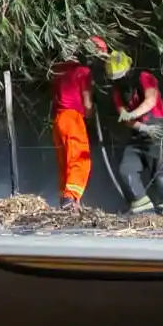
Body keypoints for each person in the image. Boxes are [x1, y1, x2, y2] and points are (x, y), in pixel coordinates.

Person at [104, 51, 163, 217]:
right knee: (126, 170)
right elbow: (125, 117)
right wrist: (142, 128)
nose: (119, 81)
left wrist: (134, 114)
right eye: (115, 79)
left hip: (158, 129)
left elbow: (150, 101)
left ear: (129, 70)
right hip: (138, 133)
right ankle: (143, 212)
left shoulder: (145, 77)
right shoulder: (117, 92)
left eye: (121, 77)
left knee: (160, 174)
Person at [51, 36, 109, 211]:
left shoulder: (58, 69)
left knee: (65, 161)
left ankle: (66, 200)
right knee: (79, 158)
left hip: (58, 120)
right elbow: (87, 101)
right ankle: (71, 198)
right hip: (73, 118)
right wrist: (90, 113)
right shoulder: (82, 71)